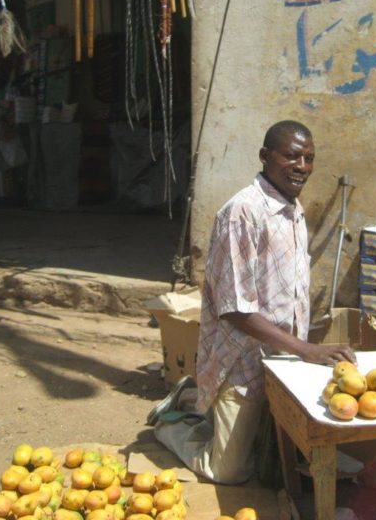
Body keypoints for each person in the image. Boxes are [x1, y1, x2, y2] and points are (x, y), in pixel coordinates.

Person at [148, 119, 357, 484]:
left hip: (284, 361)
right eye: (291, 156)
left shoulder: (294, 210)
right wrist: (307, 350)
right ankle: (173, 421)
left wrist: (300, 352)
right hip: (241, 365)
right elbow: (235, 309)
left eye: (308, 158)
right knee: (229, 471)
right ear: (265, 156)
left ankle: (196, 399)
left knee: (286, 465)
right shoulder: (241, 213)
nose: (302, 167)